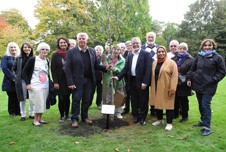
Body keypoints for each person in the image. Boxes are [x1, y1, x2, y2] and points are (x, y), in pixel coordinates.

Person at [65, 32, 109, 128]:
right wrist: (70, 82)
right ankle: (75, 119)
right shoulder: (71, 52)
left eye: (83, 38)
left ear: (86, 40)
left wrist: (106, 68)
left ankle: (85, 117)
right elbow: (67, 68)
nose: (81, 40)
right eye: (80, 38)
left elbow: (96, 65)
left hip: (89, 80)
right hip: (77, 81)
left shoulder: (92, 51)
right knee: (76, 99)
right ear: (77, 40)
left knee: (87, 100)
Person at [187, 39, 226, 136]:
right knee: (201, 104)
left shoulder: (217, 58)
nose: (207, 47)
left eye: (209, 45)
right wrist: (189, 78)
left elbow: (222, 71)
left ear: (213, 46)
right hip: (198, 85)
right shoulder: (200, 56)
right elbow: (192, 68)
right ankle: (203, 121)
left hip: (209, 86)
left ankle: (207, 128)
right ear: (202, 46)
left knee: (205, 105)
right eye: (205, 45)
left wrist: (213, 79)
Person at [112, 37, 152, 125]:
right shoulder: (130, 56)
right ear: (131, 45)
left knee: (143, 100)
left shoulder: (146, 54)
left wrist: (145, 82)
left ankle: (142, 118)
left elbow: (148, 69)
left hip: (142, 81)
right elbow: (125, 68)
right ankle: (135, 116)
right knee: (134, 100)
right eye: (133, 43)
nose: (135, 45)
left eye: (137, 43)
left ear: (140, 44)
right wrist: (118, 77)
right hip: (132, 80)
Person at [150, 46, 178, 131]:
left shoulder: (171, 63)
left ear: (165, 52)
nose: (161, 53)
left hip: (167, 87)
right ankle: (160, 120)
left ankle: (169, 123)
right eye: (159, 52)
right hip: (156, 86)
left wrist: (172, 88)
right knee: (157, 103)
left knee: (168, 104)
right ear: (157, 53)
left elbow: (175, 76)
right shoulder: (154, 63)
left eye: (162, 51)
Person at [22, 42, 50, 126]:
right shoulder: (33, 59)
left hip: (45, 85)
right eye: (42, 49)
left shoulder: (47, 60)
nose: (44, 51)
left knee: (42, 103)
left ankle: (40, 119)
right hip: (35, 85)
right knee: (37, 103)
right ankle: (35, 120)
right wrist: (28, 84)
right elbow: (24, 72)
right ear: (39, 50)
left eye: (46, 49)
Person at [172, 42, 194, 122]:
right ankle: (175, 113)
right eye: (180, 48)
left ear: (187, 50)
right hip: (174, 81)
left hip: (184, 82)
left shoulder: (191, 59)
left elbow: (192, 70)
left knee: (183, 100)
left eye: (184, 49)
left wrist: (188, 79)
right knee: (175, 99)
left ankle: (185, 116)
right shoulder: (174, 58)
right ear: (178, 49)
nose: (182, 50)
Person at [51, 37, 71, 123]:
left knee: (67, 98)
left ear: (67, 43)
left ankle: (67, 115)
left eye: (64, 42)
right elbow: (53, 69)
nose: (63, 44)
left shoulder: (71, 53)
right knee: (61, 98)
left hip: (69, 80)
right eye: (61, 43)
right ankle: (62, 115)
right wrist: (55, 82)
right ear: (58, 44)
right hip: (59, 80)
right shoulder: (55, 55)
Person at [14, 42, 35, 121]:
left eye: (29, 47)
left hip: (32, 80)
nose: (27, 49)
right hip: (22, 80)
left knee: (32, 98)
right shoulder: (18, 58)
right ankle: (23, 115)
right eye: (25, 47)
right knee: (22, 98)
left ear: (31, 48)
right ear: (22, 49)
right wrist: (15, 77)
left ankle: (32, 114)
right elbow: (14, 69)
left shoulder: (34, 58)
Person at [1, 42, 20, 117]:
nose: (13, 49)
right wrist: (13, 78)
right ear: (8, 49)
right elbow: (4, 68)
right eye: (11, 47)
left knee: (18, 96)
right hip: (9, 81)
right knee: (11, 96)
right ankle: (12, 112)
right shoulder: (5, 57)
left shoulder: (19, 57)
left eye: (14, 47)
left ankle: (18, 111)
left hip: (18, 80)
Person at [106, 45, 125, 119]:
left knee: (118, 97)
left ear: (120, 51)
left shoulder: (122, 60)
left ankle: (118, 112)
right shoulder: (107, 58)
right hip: (108, 80)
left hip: (118, 81)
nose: (116, 50)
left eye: (118, 49)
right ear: (111, 50)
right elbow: (102, 65)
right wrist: (106, 67)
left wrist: (113, 68)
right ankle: (109, 113)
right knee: (108, 97)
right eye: (114, 49)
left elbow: (121, 70)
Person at [92, 45, 106, 109]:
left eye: (100, 50)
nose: (98, 51)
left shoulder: (104, 58)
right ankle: (89, 103)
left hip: (101, 77)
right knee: (91, 91)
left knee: (100, 91)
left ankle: (99, 103)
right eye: (97, 50)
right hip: (93, 77)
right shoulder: (93, 57)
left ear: (102, 51)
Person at [122, 40, 133, 114]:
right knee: (126, 94)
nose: (128, 47)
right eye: (127, 46)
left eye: (130, 45)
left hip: (133, 77)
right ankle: (126, 109)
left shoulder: (135, 53)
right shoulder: (124, 54)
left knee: (133, 95)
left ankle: (134, 109)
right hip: (125, 77)